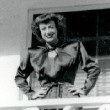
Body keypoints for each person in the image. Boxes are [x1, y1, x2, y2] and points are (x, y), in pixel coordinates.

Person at [15, 13, 101, 110]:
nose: (48, 31)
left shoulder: (74, 47)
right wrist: (31, 94)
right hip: (45, 99)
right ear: (40, 32)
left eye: (51, 27)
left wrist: (84, 89)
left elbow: (93, 68)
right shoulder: (33, 53)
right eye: (43, 29)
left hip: (69, 97)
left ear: (57, 28)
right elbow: (19, 77)